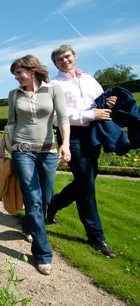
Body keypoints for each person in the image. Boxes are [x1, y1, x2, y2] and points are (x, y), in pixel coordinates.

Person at [0, 55, 70, 275]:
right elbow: (11, 123)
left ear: (31, 70)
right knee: (33, 198)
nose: (17, 78)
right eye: (15, 75)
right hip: (22, 151)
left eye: (19, 73)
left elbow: (63, 117)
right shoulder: (14, 95)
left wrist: (65, 143)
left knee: (46, 197)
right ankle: (43, 253)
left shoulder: (53, 89)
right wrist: (2, 148)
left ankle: (30, 225)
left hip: (48, 151)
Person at [48, 45, 117, 258]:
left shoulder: (88, 79)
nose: (64, 61)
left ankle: (53, 205)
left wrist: (109, 102)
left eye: (67, 56)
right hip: (72, 134)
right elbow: (56, 115)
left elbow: (99, 101)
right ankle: (96, 236)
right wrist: (89, 115)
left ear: (75, 57)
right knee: (86, 183)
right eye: (59, 59)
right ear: (56, 64)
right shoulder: (54, 84)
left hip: (94, 134)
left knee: (86, 179)